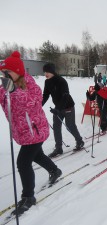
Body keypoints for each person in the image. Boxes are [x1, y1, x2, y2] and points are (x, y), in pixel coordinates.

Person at [0, 51, 62, 215]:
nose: (4, 75)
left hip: (36, 130)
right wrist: (6, 90)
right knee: (37, 155)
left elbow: (32, 102)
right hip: (22, 131)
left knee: (23, 162)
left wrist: (14, 91)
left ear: (18, 71)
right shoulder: (4, 86)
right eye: (2, 73)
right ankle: (55, 170)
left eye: (7, 72)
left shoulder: (29, 84)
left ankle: (28, 197)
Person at [42, 63, 84, 157]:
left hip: (68, 106)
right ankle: (58, 148)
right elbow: (45, 95)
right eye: (44, 72)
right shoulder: (47, 82)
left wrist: (59, 109)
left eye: (47, 72)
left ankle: (79, 141)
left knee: (70, 126)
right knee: (56, 126)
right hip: (58, 107)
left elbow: (65, 95)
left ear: (52, 71)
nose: (46, 74)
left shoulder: (61, 81)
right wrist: (39, 105)